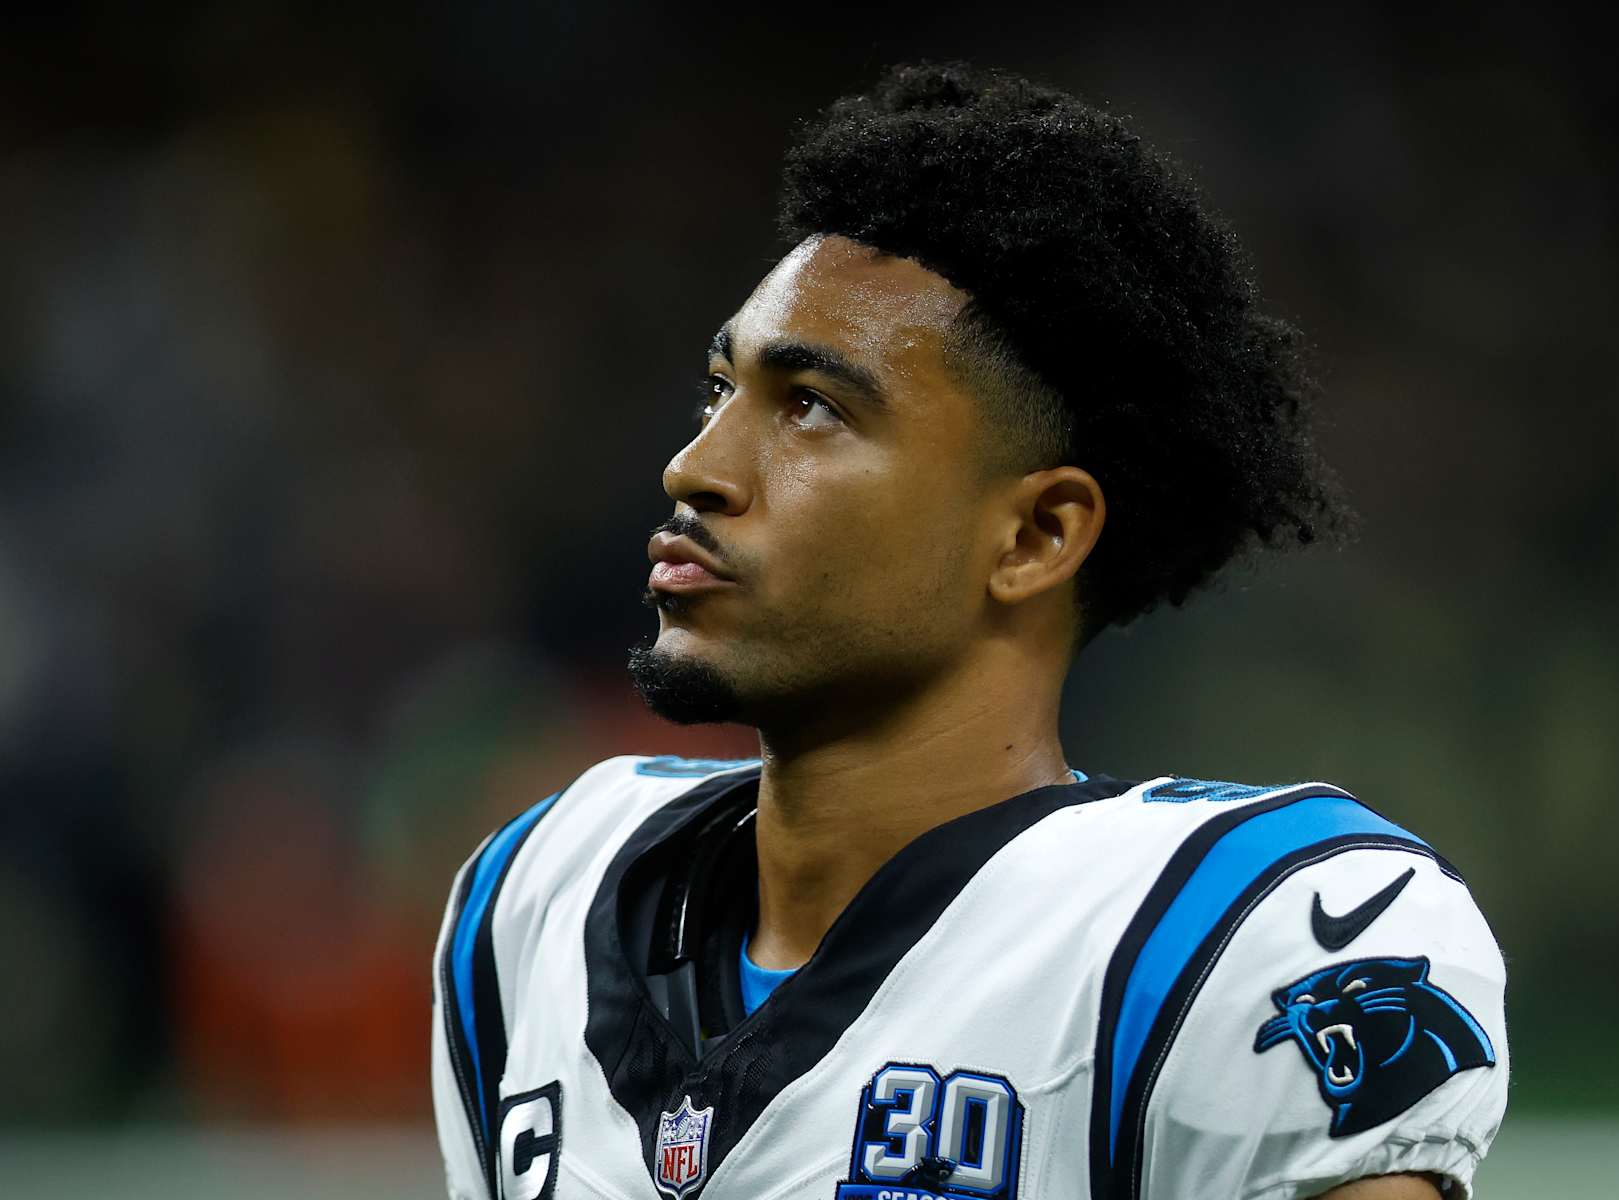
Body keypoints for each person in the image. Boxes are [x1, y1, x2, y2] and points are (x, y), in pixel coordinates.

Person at [430, 62, 1507, 1200]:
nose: (695, 467)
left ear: (1036, 534)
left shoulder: (1239, 938)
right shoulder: (537, 895)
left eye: (812, 407)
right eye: (718, 390)